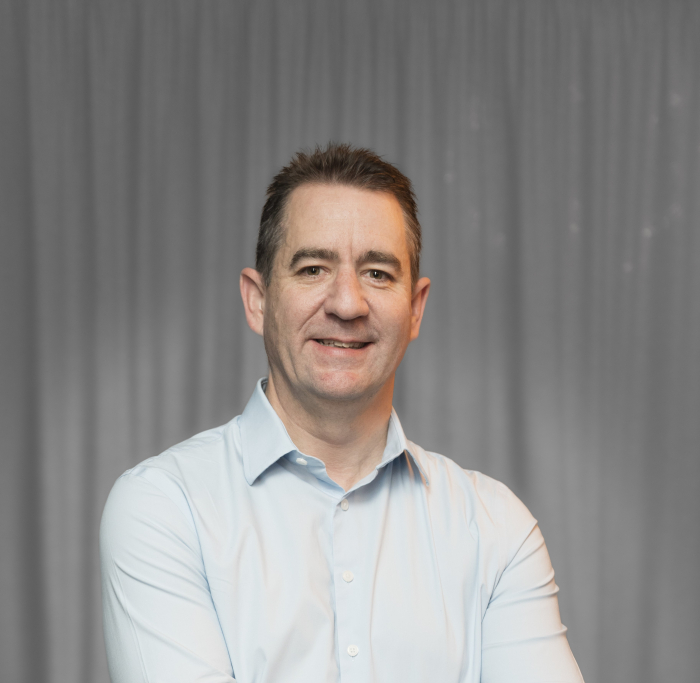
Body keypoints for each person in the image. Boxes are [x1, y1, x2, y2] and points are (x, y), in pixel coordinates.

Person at [100, 143, 584, 683]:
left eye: (378, 273)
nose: (348, 303)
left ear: (415, 307)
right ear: (257, 301)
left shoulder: (497, 529)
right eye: (312, 269)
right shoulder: (166, 508)